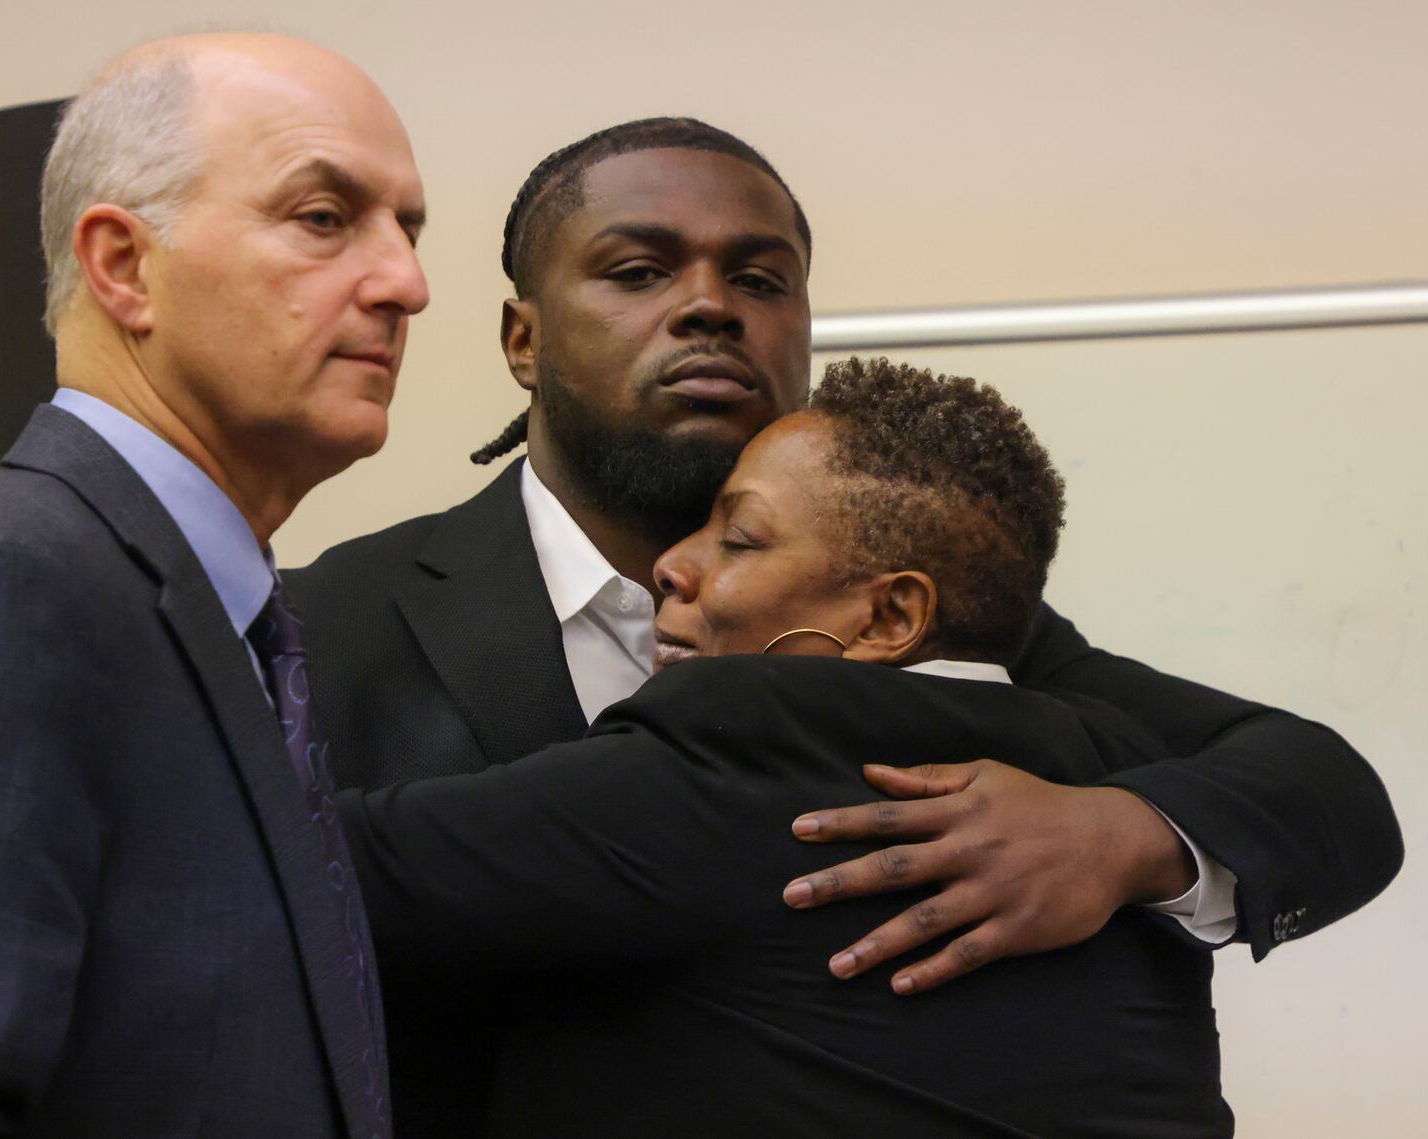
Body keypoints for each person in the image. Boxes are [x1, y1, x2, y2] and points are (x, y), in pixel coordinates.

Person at [286, 117, 1401, 1133]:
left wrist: (1120, 837)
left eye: (762, 280)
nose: (712, 304)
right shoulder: (313, 621)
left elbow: (1320, 786)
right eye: (639, 269)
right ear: (523, 341)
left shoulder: (943, 636)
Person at [341, 358, 1236, 1137]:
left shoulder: (743, 752)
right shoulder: (1131, 764)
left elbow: (324, 861)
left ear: (890, 616)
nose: (672, 565)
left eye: (739, 537)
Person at [0, 32, 427, 1138]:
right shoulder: (5, 587)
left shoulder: (228, 614)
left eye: (407, 227)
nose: (406, 283)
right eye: (323, 217)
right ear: (121, 265)